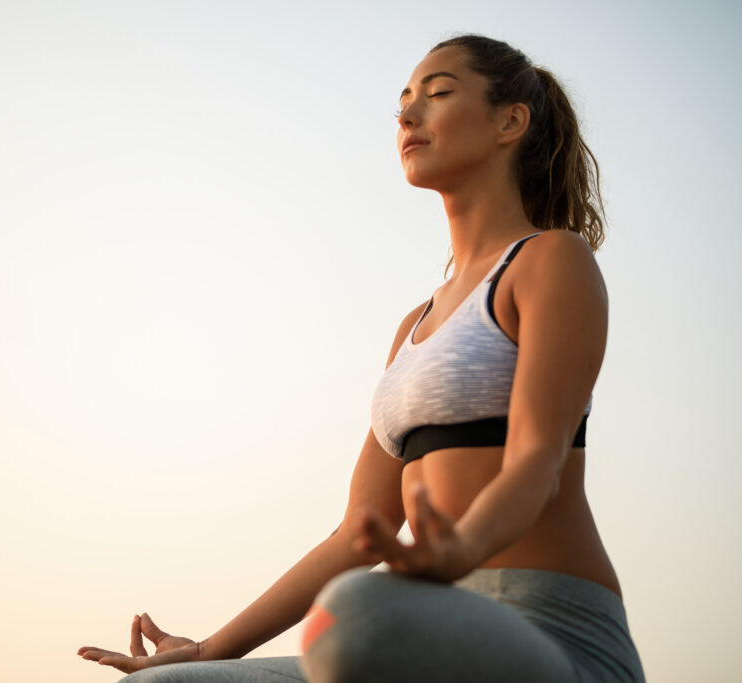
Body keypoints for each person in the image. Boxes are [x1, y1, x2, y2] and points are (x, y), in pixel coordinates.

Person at [77, 34, 646, 682]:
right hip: (424, 626)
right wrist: (209, 648)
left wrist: (461, 549)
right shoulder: (414, 325)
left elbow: (537, 462)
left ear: (509, 121)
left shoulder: (550, 260)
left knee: (355, 614)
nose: (408, 116)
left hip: (551, 630)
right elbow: (357, 532)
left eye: (437, 94)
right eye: (403, 102)